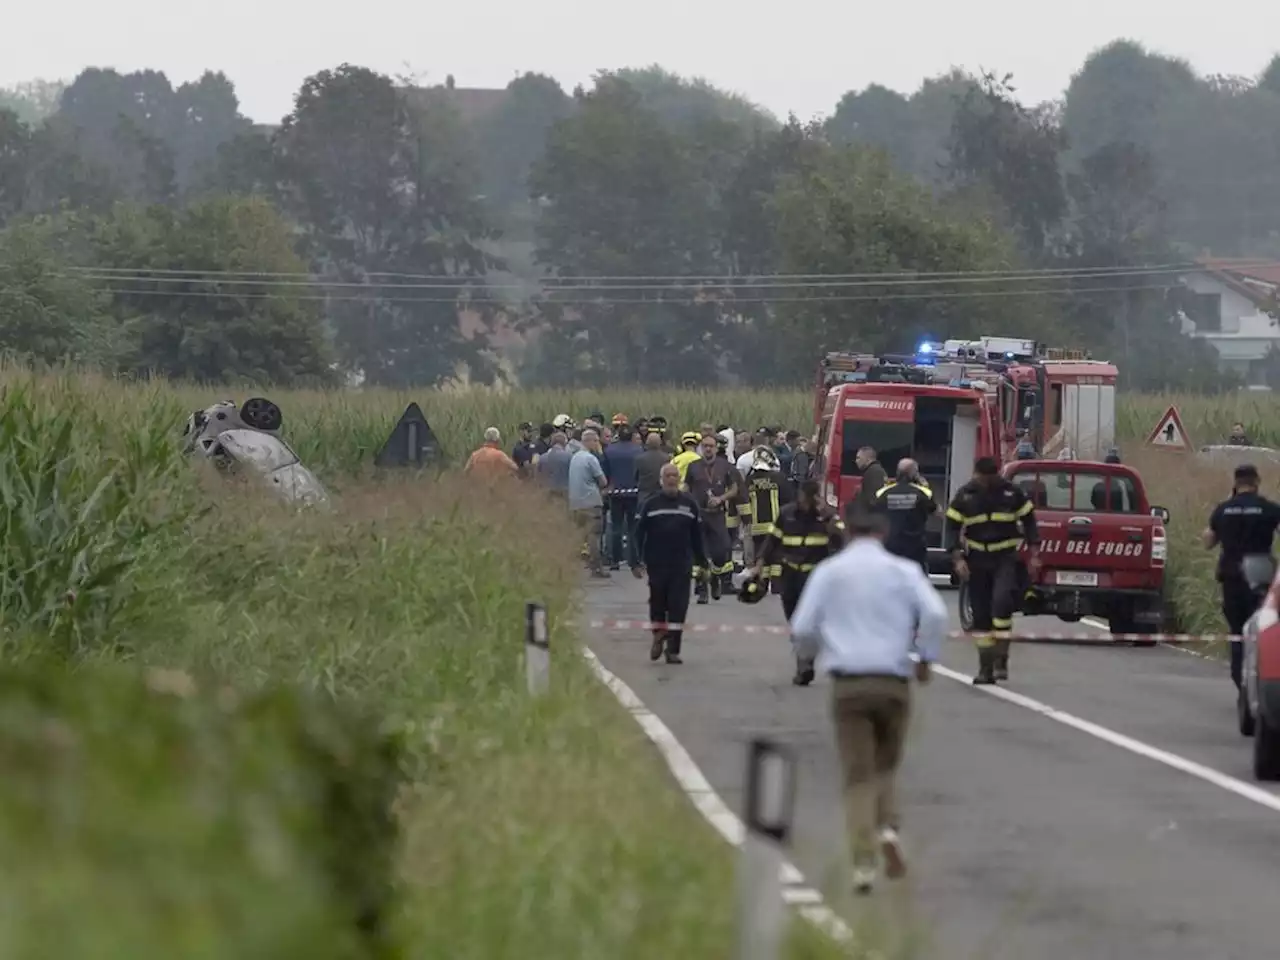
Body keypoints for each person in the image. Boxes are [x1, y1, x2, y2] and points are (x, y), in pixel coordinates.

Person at [789, 506, 946, 895]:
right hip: (893, 681)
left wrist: (812, 655)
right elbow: (936, 614)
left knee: (858, 775)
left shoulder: (829, 572)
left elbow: (802, 627)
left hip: (849, 684)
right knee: (885, 768)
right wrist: (925, 658)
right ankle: (889, 829)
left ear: (846, 533)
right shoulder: (903, 571)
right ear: (883, 532)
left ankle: (863, 863)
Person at [945, 456, 1040, 684]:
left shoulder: (1011, 493)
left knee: (1002, 603)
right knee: (980, 615)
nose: (981, 481)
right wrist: (957, 558)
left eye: (986, 478)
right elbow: (952, 527)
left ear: (993, 475)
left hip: (1005, 557)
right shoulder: (966, 495)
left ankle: (1001, 659)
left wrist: (1035, 554)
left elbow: (1029, 521)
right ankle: (985, 668)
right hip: (977, 559)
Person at [755, 479, 847, 685]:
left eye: (810, 498)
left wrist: (829, 518)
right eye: (803, 497)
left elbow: (841, 541)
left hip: (815, 577)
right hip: (790, 574)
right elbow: (772, 540)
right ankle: (803, 659)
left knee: (811, 621)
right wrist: (759, 564)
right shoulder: (787, 514)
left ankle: (805, 662)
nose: (805, 502)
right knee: (795, 620)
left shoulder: (827, 516)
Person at [1202, 463, 1280, 690]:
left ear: (1235, 483)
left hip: (1232, 578)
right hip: (1260, 578)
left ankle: (1240, 679)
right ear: (1257, 482)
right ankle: (1261, 679)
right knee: (1261, 629)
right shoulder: (1269, 509)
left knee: (1237, 632)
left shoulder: (1224, 509)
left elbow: (1208, 542)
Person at [633, 463, 708, 665]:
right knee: (658, 602)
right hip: (656, 562)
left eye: (675, 475)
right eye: (668, 475)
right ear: (661, 479)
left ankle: (673, 650)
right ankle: (658, 634)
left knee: (678, 606)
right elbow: (638, 534)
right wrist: (635, 561)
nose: (672, 479)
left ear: (680, 478)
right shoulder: (650, 503)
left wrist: (703, 562)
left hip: (681, 564)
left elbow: (697, 536)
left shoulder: (690, 504)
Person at [684, 434, 738, 604]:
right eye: (705, 445)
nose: (708, 448)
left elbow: (734, 488)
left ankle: (715, 578)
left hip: (717, 515)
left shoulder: (724, 466)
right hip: (698, 514)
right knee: (700, 554)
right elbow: (687, 486)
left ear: (716, 448)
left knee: (721, 551)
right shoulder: (693, 467)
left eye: (711, 446)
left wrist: (722, 498)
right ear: (701, 447)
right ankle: (702, 590)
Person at [873, 458, 937, 572]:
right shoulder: (923, 492)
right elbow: (937, 513)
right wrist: (925, 486)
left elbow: (874, 514)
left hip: (890, 546)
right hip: (914, 548)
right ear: (914, 474)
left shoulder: (882, 493)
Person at [744, 445, 792, 577]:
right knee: (776, 557)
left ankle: (763, 584)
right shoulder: (779, 478)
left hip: (756, 528)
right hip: (776, 526)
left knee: (761, 557)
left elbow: (744, 501)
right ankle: (776, 585)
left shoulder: (749, 480)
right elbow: (788, 501)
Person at [569, 429, 610, 578]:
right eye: (596, 441)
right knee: (594, 536)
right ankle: (596, 567)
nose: (597, 444)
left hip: (575, 503)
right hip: (591, 502)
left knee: (579, 536)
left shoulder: (574, 458)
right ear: (589, 441)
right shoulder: (591, 459)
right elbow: (603, 481)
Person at [603, 424, 643, 570]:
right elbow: (640, 472)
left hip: (615, 493)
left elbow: (605, 472)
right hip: (634, 492)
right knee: (633, 528)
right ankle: (634, 560)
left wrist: (608, 487)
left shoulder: (609, 450)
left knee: (616, 527)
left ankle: (615, 560)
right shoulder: (638, 450)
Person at [535, 431, 573, 502]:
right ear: (564, 443)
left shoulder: (542, 457)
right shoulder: (569, 456)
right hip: (564, 494)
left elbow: (537, 476)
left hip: (547, 494)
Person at [635, 431, 670, 502]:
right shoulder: (666, 458)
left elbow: (636, 476)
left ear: (647, 443)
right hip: (660, 493)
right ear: (660, 443)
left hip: (644, 494)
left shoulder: (640, 458)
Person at [854, 447, 888, 513]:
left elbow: (873, 499)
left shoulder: (874, 472)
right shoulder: (875, 470)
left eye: (858, 458)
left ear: (868, 459)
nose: (856, 461)